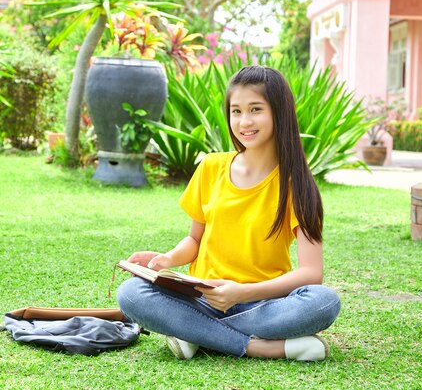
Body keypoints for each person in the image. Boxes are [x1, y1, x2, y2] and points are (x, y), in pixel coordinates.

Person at [117, 66, 341, 360]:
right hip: (202, 299)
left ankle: (195, 334)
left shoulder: (297, 184)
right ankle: (257, 347)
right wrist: (168, 259)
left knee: (324, 302)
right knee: (130, 293)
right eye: (236, 111)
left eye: (255, 109)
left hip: (261, 303)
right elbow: (194, 240)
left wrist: (241, 293)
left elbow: (312, 273)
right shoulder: (211, 167)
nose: (244, 121)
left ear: (279, 113)